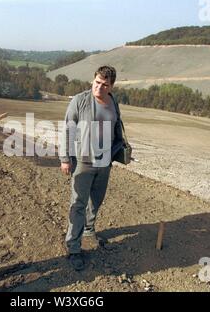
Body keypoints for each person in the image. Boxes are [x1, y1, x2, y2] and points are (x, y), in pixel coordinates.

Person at [59, 66, 125, 271]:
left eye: (105, 84)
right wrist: (65, 158)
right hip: (83, 161)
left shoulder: (113, 102)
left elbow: (116, 128)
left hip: (104, 162)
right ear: (93, 80)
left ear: (111, 86)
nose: (99, 87)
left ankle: (88, 230)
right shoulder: (80, 100)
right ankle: (73, 248)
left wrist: (118, 150)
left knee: (95, 200)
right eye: (97, 82)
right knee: (78, 203)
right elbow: (68, 128)